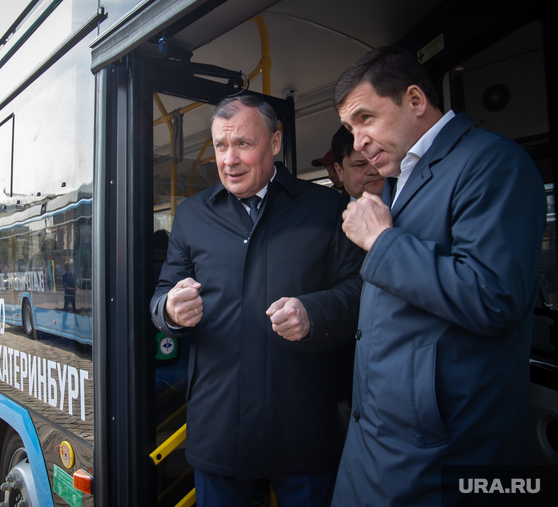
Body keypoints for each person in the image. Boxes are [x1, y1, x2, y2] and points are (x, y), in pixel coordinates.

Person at [331, 47, 546, 505]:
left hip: (443, 448)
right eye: (352, 129)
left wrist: (381, 242)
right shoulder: (398, 178)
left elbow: (494, 298)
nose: (359, 140)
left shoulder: (491, 163)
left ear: (414, 99)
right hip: (377, 435)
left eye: (366, 118)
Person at [150, 94, 363, 506]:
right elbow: (162, 295)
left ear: (276, 142)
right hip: (219, 427)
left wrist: (313, 312)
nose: (229, 160)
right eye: (220, 146)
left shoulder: (326, 208)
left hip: (302, 424)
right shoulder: (192, 215)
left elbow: (361, 289)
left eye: (243, 144)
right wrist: (170, 311)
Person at [330, 125, 384, 201]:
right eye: (360, 165)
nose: (374, 171)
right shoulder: (332, 210)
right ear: (339, 171)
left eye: (378, 160)